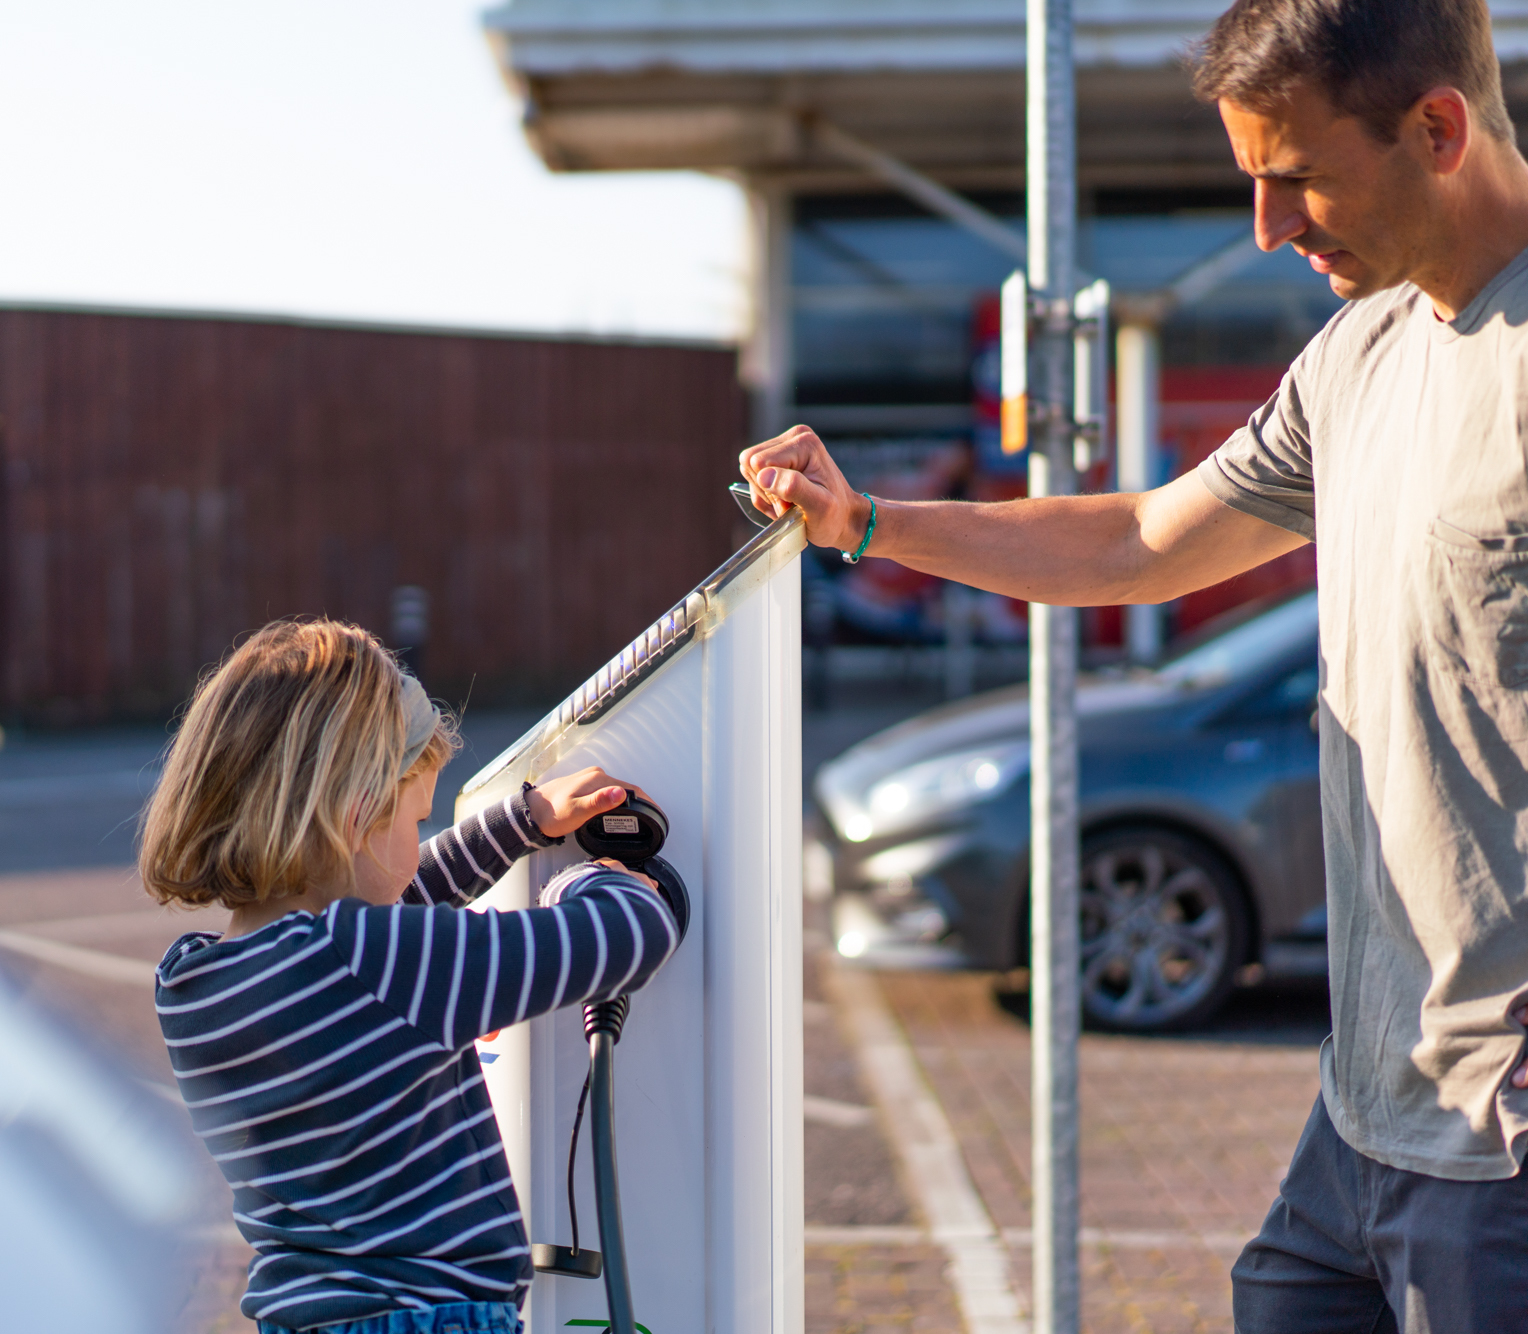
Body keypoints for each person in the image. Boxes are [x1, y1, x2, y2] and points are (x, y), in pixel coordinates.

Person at [744, 1, 1528, 1327]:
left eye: (1300, 180)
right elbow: (1136, 538)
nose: (1270, 229)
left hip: (1503, 1144)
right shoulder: (1358, 352)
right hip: (1368, 1102)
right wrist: (867, 521)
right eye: (1252, 182)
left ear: (1438, 129)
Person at [140, 619, 679, 1334]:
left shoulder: (193, 984)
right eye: (416, 816)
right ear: (353, 814)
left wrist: (520, 824)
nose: (419, 837)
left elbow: (388, 907)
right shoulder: (373, 961)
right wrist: (604, 880)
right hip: (430, 1319)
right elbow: (628, 937)